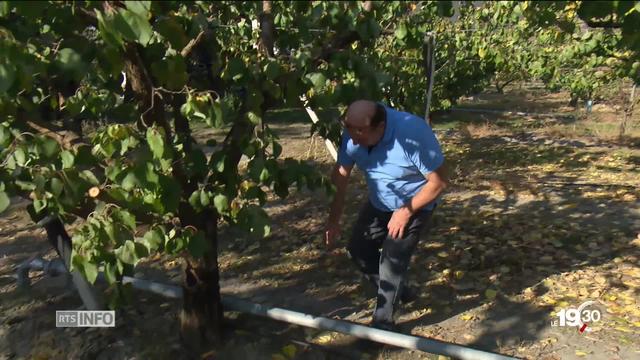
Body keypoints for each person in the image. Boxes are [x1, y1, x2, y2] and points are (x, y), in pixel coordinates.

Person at [325, 100, 447, 330]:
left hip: (416, 201)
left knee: (392, 259)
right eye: (349, 130)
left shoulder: (412, 133)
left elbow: (439, 183)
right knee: (358, 251)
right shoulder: (355, 129)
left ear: (380, 127)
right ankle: (400, 290)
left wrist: (406, 211)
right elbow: (341, 176)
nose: (352, 140)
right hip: (380, 201)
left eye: (359, 133)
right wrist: (333, 220)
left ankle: (383, 325)